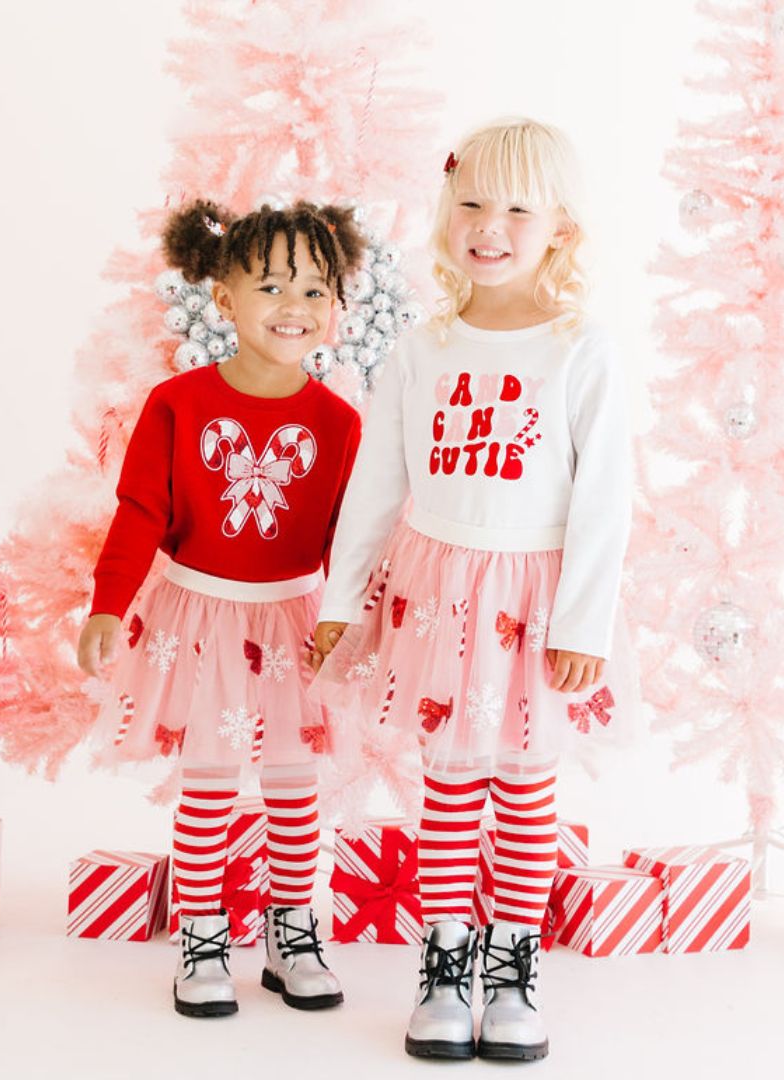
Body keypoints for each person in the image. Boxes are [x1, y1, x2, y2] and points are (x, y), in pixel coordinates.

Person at [312, 118, 638, 1061]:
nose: (487, 226)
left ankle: (512, 969)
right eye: (469, 204)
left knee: (526, 789)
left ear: (560, 231)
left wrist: (583, 623)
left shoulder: (581, 349)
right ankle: (446, 959)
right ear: (445, 213)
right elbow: (376, 486)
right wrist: (341, 607)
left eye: (515, 210)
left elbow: (605, 499)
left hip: (533, 602)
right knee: (450, 783)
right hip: (439, 596)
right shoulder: (423, 346)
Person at [78, 197, 364, 1018]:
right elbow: (139, 511)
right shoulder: (178, 405)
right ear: (225, 298)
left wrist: (344, 618)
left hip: (290, 621)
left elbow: (351, 532)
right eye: (272, 286)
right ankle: (202, 934)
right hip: (199, 620)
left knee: (291, 783)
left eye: (314, 291)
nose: (294, 307)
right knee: (206, 780)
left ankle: (290, 932)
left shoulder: (339, 423)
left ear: (336, 307)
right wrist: (107, 605)